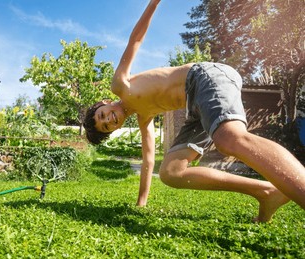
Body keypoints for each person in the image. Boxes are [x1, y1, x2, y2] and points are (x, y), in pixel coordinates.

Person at [83, 0, 305, 222]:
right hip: (195, 106)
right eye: (106, 126)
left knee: (229, 139)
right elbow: (149, 161)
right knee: (171, 172)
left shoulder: (120, 85)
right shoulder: (144, 118)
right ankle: (265, 192)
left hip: (204, 78)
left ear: (105, 102)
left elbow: (136, 39)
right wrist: (141, 203)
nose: (108, 120)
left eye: (102, 115)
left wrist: (153, 3)